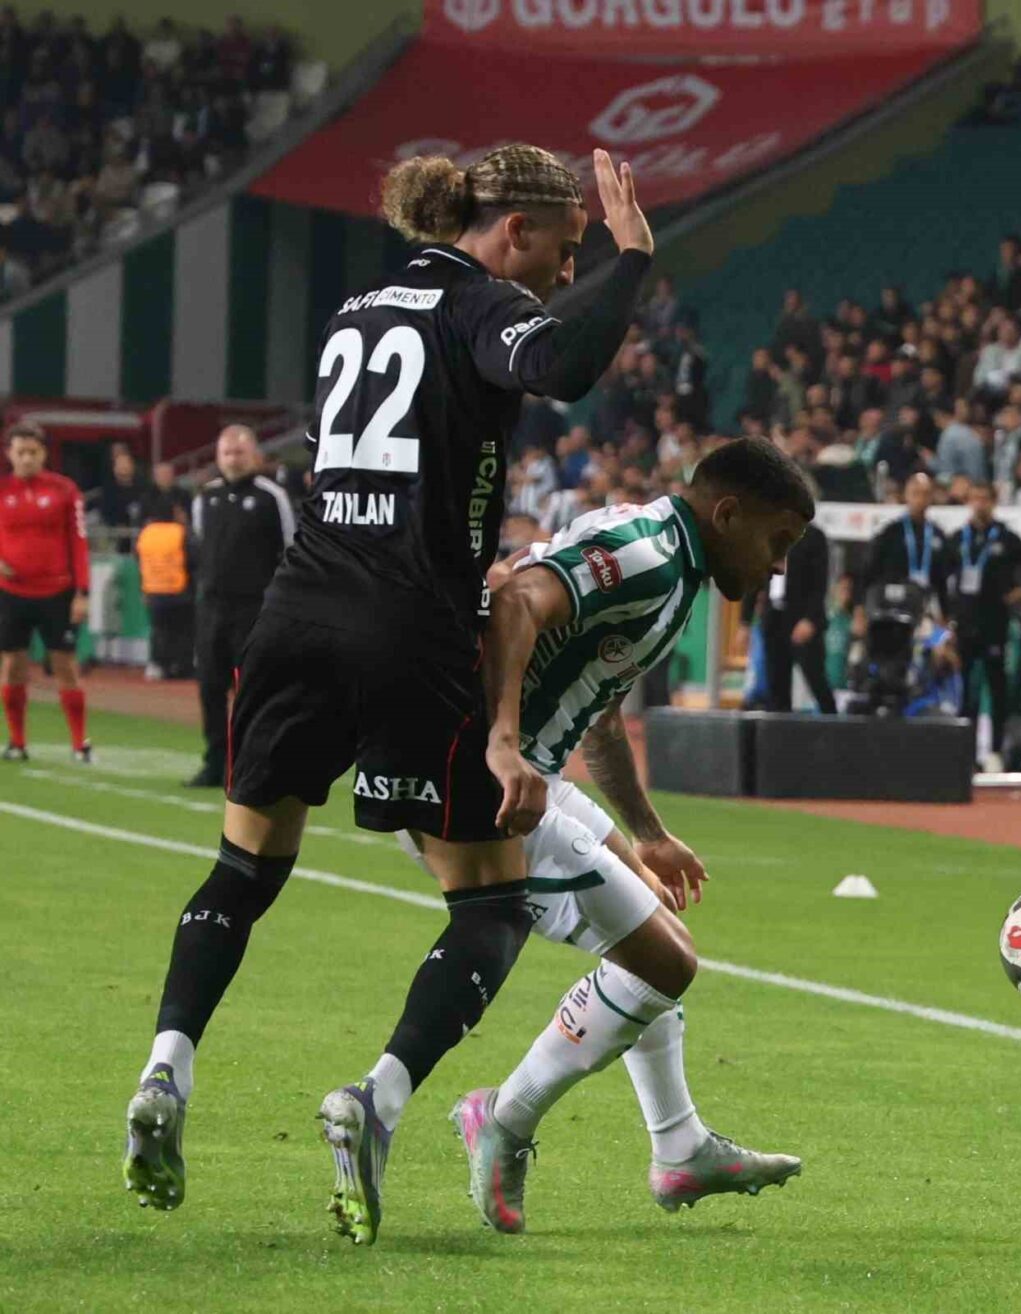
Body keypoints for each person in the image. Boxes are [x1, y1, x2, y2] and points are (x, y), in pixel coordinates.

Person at [122, 146, 655, 1249]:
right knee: (490, 904)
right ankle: (379, 1100)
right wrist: (633, 261)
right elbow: (562, 366)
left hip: (294, 615)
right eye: (564, 251)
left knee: (243, 868)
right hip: (409, 627)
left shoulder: (356, 310)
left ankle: (165, 1068)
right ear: (512, 231)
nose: (566, 273)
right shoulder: (484, 305)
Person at [399, 439, 812, 1231]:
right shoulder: (648, 555)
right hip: (491, 785)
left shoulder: (674, 564)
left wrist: (646, 832)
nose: (779, 565)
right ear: (729, 514)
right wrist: (504, 743)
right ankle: (503, 1117)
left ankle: (679, 1145)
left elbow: (601, 713)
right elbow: (516, 600)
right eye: (778, 541)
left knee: (655, 923)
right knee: (666, 962)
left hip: (532, 775)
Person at [185, 425, 295, 787]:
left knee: (252, 691)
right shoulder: (205, 498)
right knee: (210, 688)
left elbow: (291, 551)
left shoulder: (272, 497)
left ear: (255, 456)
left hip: (255, 611)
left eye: (239, 452)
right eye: (227, 453)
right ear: (218, 457)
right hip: (211, 611)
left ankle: (250, 766)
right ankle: (214, 763)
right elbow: (200, 546)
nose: (233, 459)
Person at [0, 421, 92, 762]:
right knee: (13, 665)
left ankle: (80, 744)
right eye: (20, 452)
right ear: (9, 454)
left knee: (65, 665)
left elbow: (79, 542)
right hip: (11, 593)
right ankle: (17, 742)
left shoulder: (65, 490)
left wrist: (82, 592)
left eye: (33, 452)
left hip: (57, 592)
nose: (26, 458)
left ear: (44, 454)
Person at [948, 481, 1021, 770]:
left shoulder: (1006, 538)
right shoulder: (958, 538)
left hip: (995, 623)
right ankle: (965, 752)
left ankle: (996, 751)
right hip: (964, 625)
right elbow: (941, 576)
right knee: (966, 692)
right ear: (968, 501)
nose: (980, 504)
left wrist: (1019, 594)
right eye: (975, 498)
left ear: (993, 502)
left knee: (997, 688)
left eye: (984, 498)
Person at [745, 514, 836, 714]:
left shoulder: (814, 537)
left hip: (802, 620)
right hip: (773, 619)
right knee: (776, 687)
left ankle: (833, 726)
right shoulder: (768, 535)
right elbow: (754, 577)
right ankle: (778, 730)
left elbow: (820, 585)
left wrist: (810, 619)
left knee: (816, 680)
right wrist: (745, 621)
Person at [859, 472, 951, 627]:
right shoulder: (890, 532)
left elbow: (942, 580)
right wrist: (860, 608)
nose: (920, 499)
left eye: (925, 494)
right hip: (892, 607)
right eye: (915, 493)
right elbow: (869, 570)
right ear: (906, 495)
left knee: (932, 638)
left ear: (931, 497)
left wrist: (945, 614)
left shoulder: (938, 535)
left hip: (926, 608)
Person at [136, 504, 195, 680]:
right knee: (183, 631)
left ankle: (157, 664)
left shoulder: (146, 532)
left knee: (159, 630)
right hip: (179, 589)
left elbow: (139, 557)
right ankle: (181, 666)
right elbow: (194, 559)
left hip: (153, 589)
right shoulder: (181, 532)